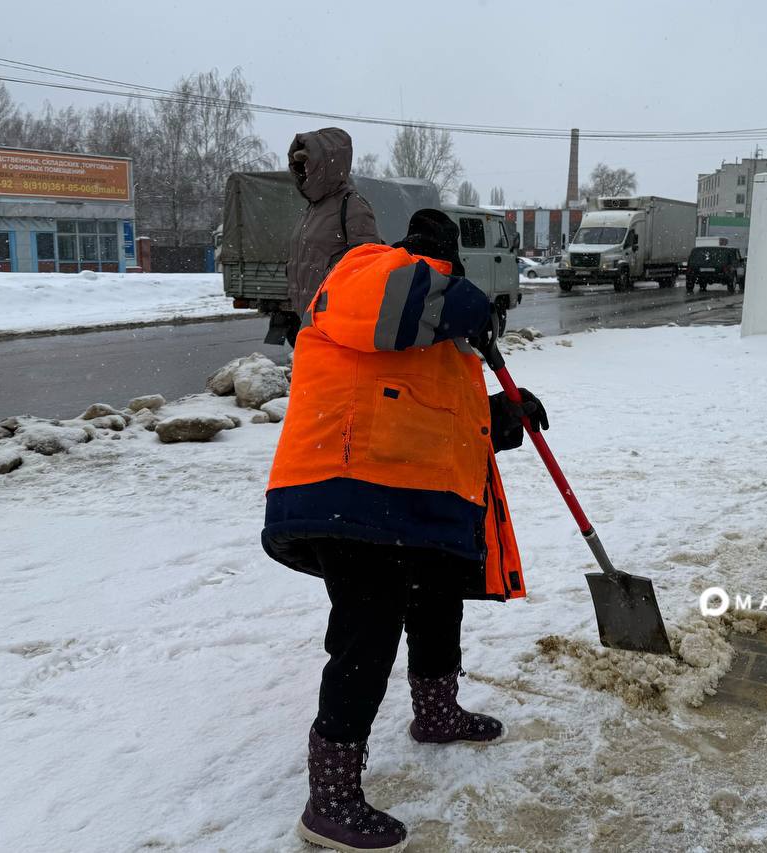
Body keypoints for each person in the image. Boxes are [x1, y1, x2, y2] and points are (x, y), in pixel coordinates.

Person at [261, 209, 549, 852]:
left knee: (438, 597)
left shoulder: (436, 333)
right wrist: (454, 291)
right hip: (350, 491)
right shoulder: (367, 272)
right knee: (367, 635)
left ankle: (437, 711)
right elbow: (388, 305)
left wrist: (506, 413)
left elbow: (438, 418)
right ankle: (329, 799)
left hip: (409, 499)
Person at [270, 127, 380, 347]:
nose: (303, 170)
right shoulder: (312, 209)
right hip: (309, 317)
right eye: (299, 164)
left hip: (336, 323)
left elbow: (369, 268)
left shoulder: (352, 206)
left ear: (327, 165)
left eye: (308, 163)